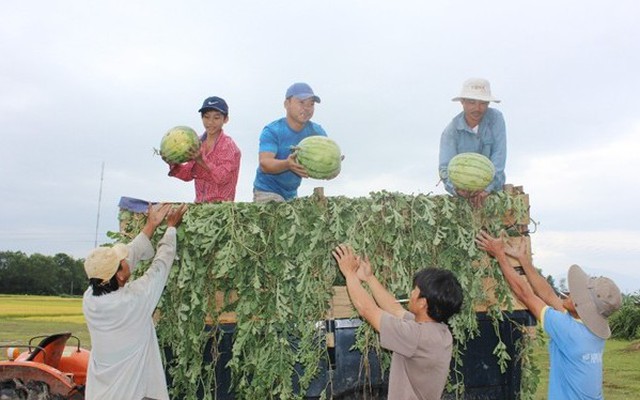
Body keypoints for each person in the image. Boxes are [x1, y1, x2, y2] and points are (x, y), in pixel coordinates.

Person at [475, 231, 622, 399]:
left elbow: (525, 294)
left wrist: (499, 254)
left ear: (580, 305)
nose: (569, 291)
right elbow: (548, 295)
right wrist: (523, 260)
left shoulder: (567, 330)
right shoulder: (590, 332)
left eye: (576, 292)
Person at [82, 203, 188, 400]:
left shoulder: (90, 298)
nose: (126, 260)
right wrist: (171, 228)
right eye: (121, 263)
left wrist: (151, 225)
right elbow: (160, 267)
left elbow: (129, 256)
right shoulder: (133, 302)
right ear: (119, 276)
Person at [332, 244, 463, 400]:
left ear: (423, 303)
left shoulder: (414, 336)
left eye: (415, 289)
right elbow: (394, 309)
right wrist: (369, 278)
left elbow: (367, 310)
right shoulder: (438, 331)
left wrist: (349, 274)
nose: (411, 292)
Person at [253, 82, 327, 202]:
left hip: (291, 193)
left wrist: (333, 166)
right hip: (266, 191)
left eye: (311, 104)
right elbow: (265, 164)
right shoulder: (273, 130)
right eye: (301, 102)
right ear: (287, 104)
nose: (307, 108)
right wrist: (287, 164)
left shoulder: (316, 132)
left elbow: (327, 156)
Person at [438, 78, 506, 208]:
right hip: (464, 199)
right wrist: (456, 189)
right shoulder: (451, 132)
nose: (478, 108)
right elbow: (444, 168)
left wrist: (488, 188)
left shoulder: (496, 119)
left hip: (494, 191)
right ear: (462, 102)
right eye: (471, 102)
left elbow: (499, 155)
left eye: (483, 103)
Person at [165, 96, 241, 202]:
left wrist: (201, 160)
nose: (210, 122)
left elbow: (223, 178)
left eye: (216, 118)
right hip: (199, 206)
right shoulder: (196, 143)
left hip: (221, 209)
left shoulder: (229, 147)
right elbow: (188, 174)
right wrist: (173, 163)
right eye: (206, 117)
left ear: (226, 119)